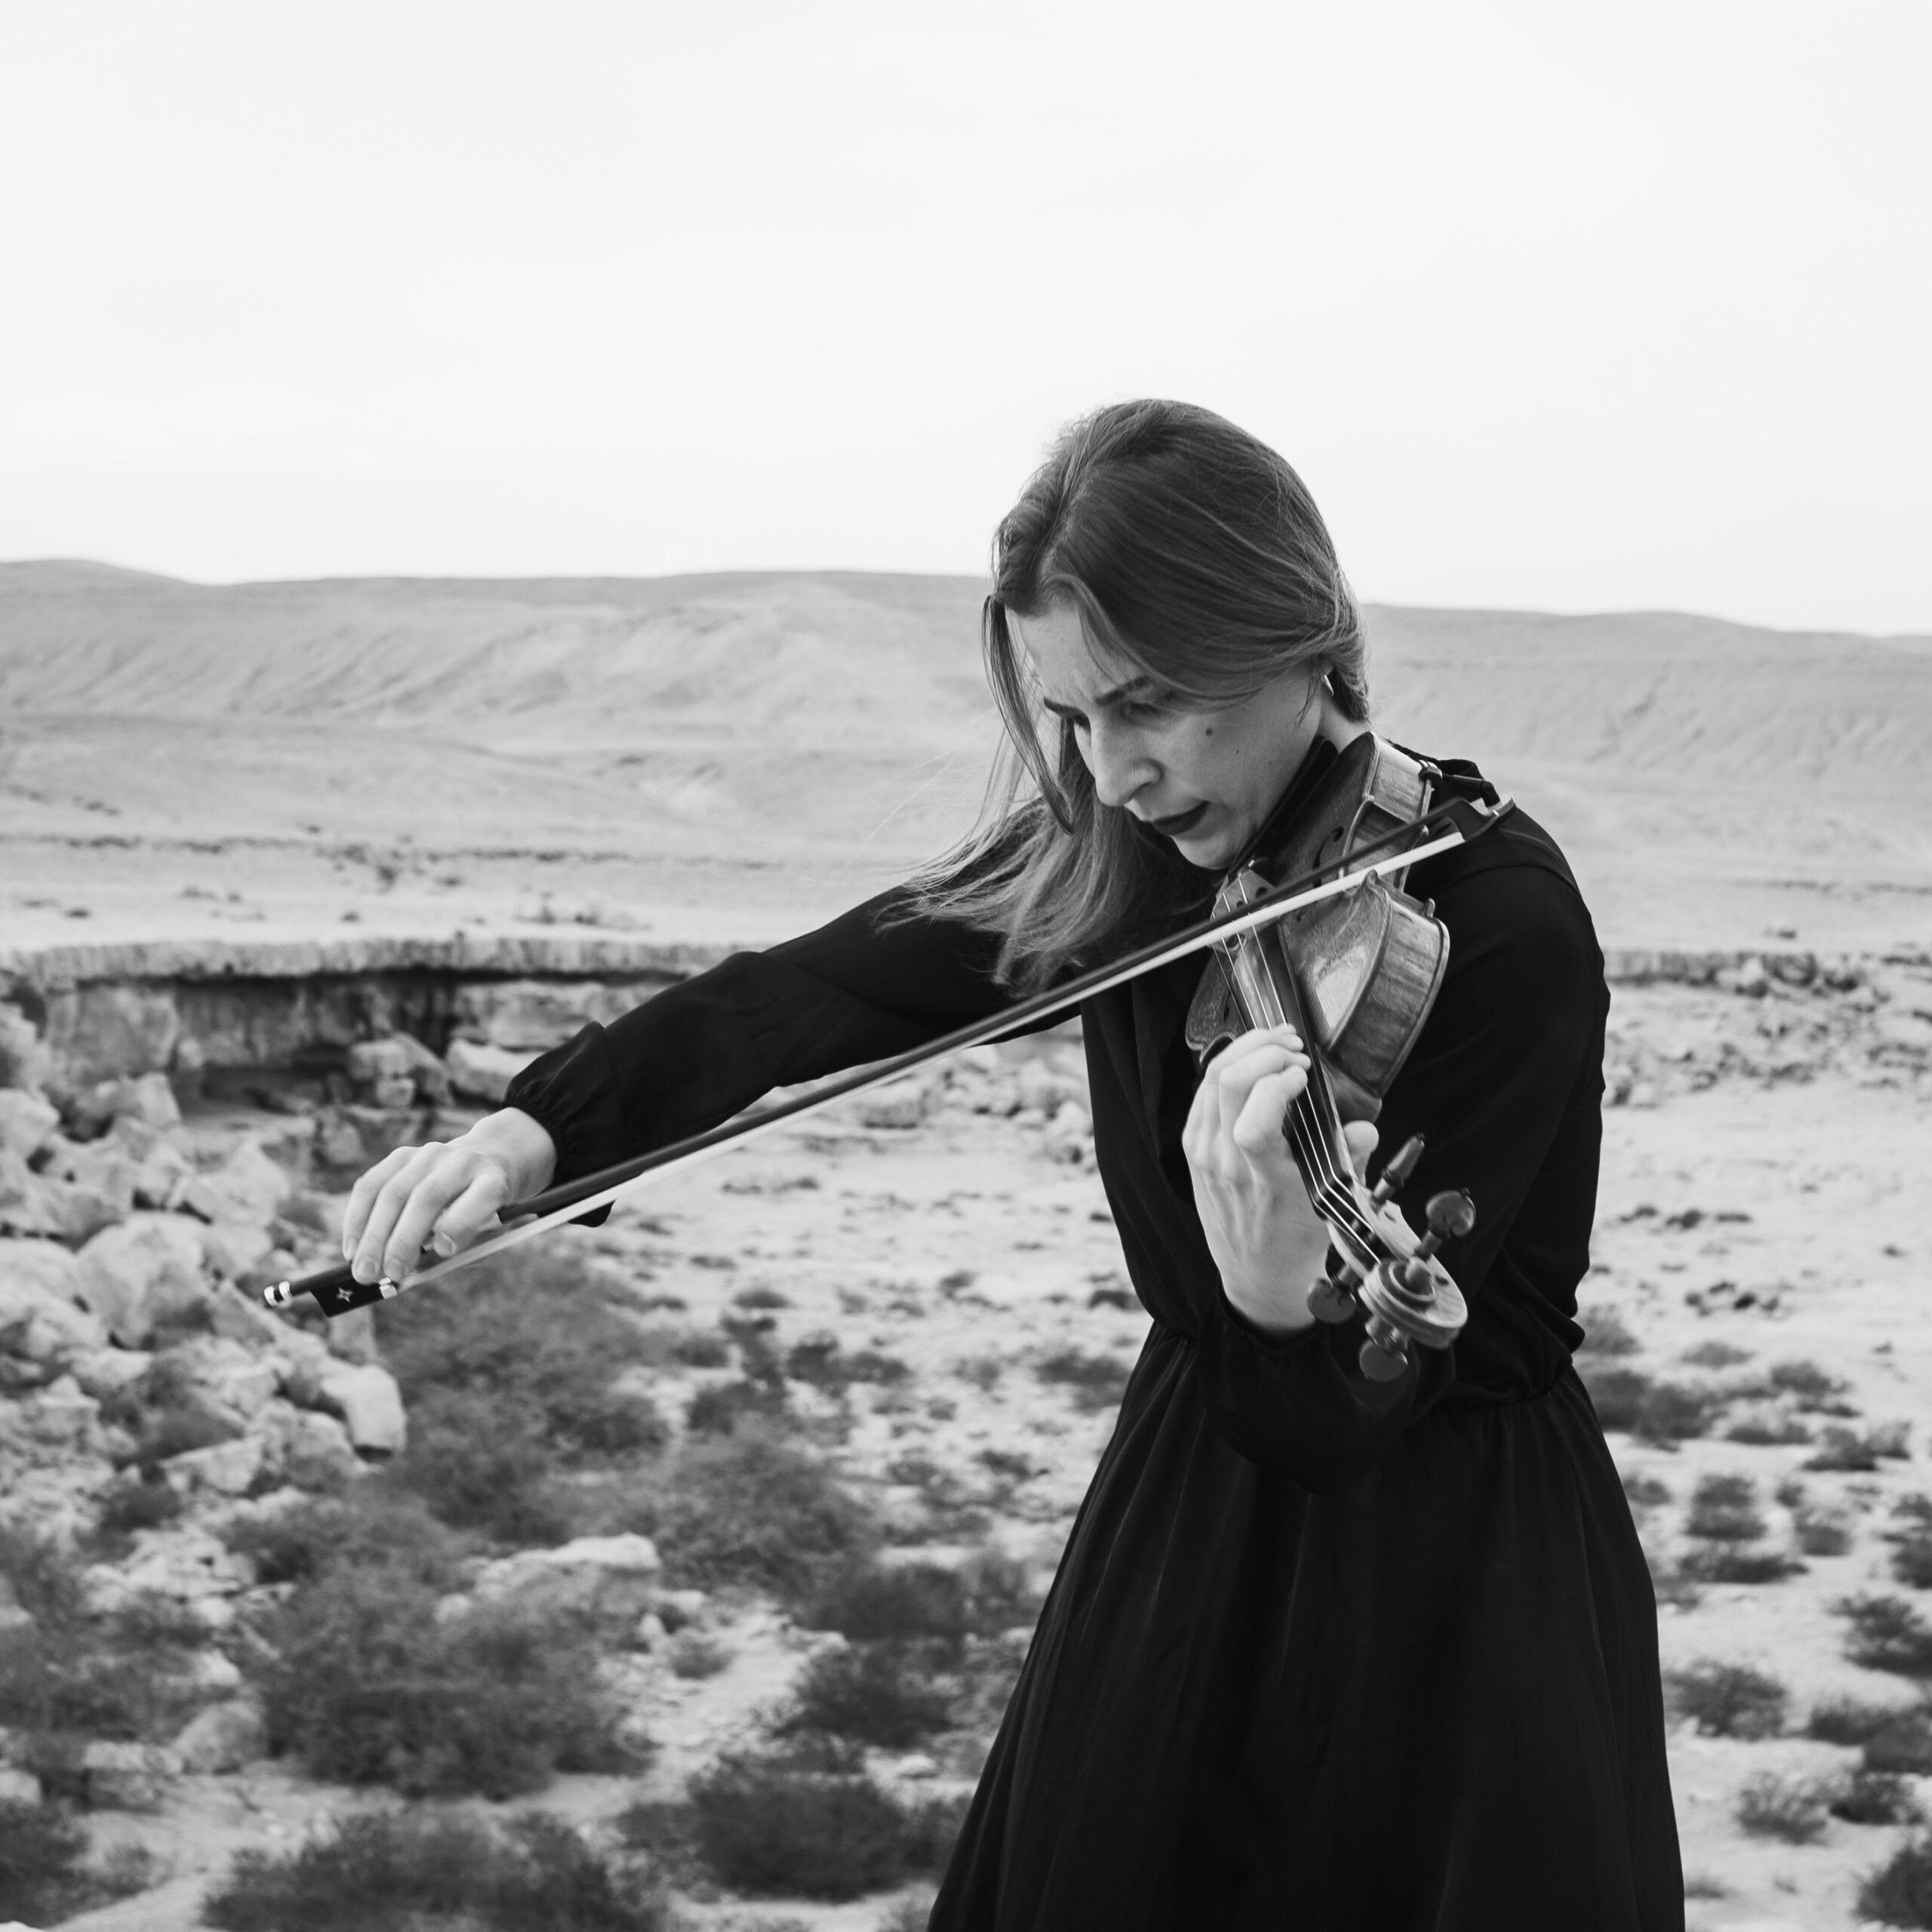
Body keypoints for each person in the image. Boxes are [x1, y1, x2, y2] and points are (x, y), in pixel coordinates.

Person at [341, 400, 1684, 1930]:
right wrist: (542, 1129)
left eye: (1152, 704)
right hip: (1191, 1509)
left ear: (1305, 643)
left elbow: (1360, 1407)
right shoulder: (1125, 864)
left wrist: (1272, 1298)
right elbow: (818, 986)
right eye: (1070, 718)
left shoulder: (1487, 922)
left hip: (1450, 1577)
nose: (1111, 769)